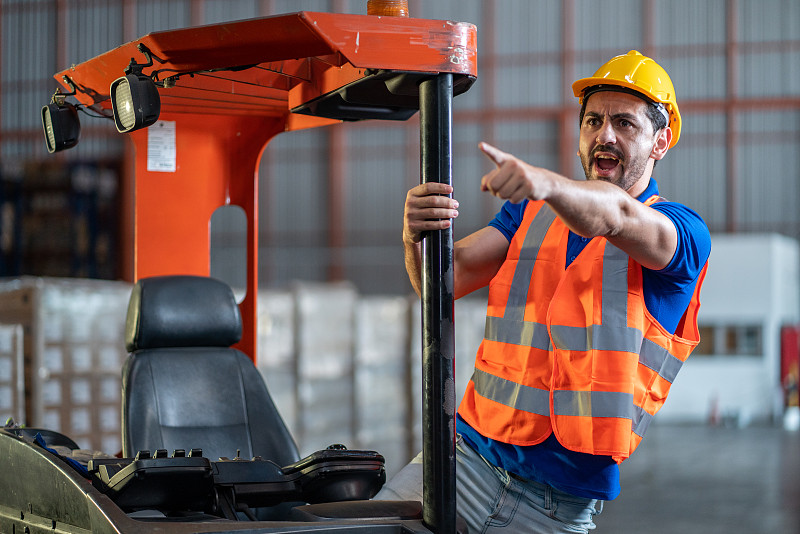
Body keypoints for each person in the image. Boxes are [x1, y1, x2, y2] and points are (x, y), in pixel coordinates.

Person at [378, 50, 712, 533]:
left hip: (555, 507)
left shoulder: (681, 233)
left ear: (660, 142)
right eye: (593, 120)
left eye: (625, 123)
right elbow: (441, 282)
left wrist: (545, 183)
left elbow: (615, 214)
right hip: (462, 461)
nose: (605, 134)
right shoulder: (530, 215)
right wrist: (415, 237)